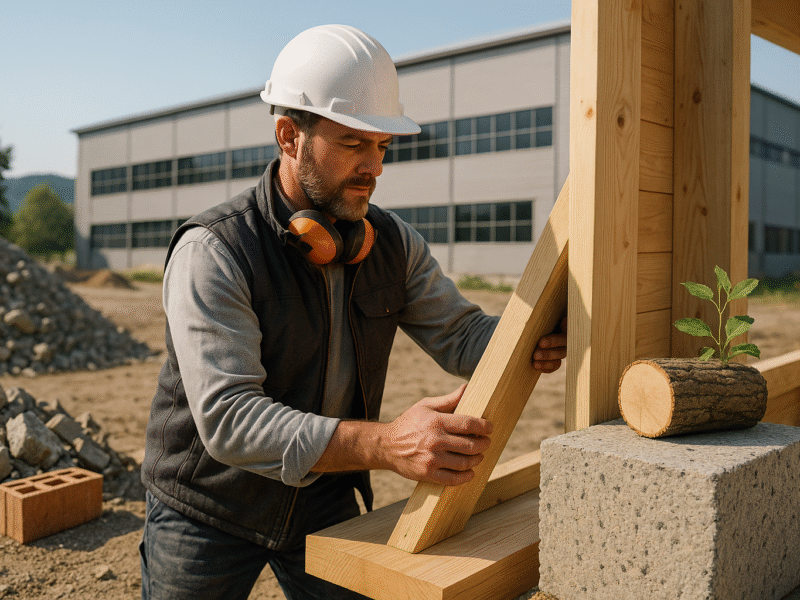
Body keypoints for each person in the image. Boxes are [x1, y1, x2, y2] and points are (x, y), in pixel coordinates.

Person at [139, 24, 567, 600]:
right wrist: (389, 445)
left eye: (381, 146)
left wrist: (538, 330)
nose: (375, 167)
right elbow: (230, 420)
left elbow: (465, 335)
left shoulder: (392, 245)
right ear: (289, 136)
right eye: (352, 143)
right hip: (208, 508)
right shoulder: (214, 251)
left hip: (323, 496)